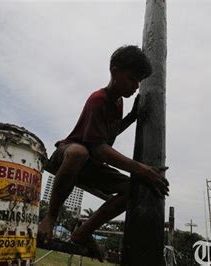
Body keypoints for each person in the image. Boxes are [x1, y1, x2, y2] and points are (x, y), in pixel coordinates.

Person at [38, 45, 169, 261]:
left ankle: (83, 232)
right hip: (69, 154)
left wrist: (131, 117)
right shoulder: (98, 99)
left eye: (139, 82)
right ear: (115, 72)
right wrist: (142, 169)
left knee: (132, 190)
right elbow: (98, 148)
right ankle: (49, 218)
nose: (136, 86)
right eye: (132, 79)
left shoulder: (118, 102)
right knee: (79, 153)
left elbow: (109, 134)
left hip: (91, 164)